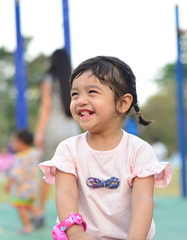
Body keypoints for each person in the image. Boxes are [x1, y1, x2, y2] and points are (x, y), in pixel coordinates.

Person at [39, 56, 173, 240]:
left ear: (123, 103)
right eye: (75, 94)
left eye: (92, 92)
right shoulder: (68, 149)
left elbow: (142, 200)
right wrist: (76, 232)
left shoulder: (139, 150)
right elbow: (66, 193)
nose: (80, 100)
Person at [34, 49, 80, 218]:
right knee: (73, 174)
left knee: (45, 173)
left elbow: (46, 107)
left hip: (52, 130)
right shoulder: (73, 81)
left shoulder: (48, 80)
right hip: (71, 130)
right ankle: (76, 213)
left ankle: (40, 211)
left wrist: (39, 133)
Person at [5, 129, 44, 234]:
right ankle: (38, 214)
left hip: (22, 188)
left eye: (13, 141)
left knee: (21, 207)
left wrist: (8, 185)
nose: (12, 144)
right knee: (29, 204)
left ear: (21, 142)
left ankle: (27, 227)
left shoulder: (19, 157)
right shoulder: (33, 153)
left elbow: (15, 174)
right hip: (32, 186)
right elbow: (40, 150)